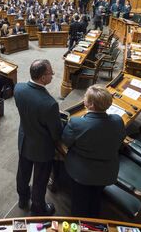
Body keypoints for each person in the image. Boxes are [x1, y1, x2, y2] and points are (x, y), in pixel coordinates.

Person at [62, 85, 125, 217]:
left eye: (85, 97)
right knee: (95, 196)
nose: (83, 98)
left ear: (90, 105)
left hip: (81, 173)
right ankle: (94, 220)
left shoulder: (76, 123)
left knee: (79, 203)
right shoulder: (118, 120)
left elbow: (66, 141)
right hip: (107, 172)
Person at [14, 59, 62, 215]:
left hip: (24, 139)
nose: (53, 75)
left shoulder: (18, 89)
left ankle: (22, 199)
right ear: (42, 77)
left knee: (23, 172)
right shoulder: (50, 104)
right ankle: (38, 207)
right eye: (51, 73)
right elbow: (56, 133)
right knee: (40, 180)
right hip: (42, 148)